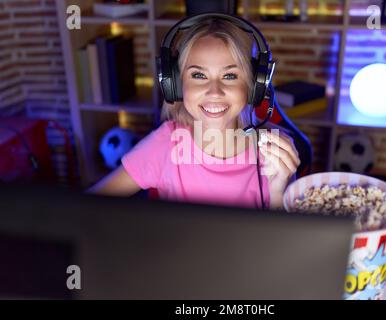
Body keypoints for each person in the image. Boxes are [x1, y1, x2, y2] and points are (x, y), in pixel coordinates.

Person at [87, 16, 301, 210]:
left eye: (230, 76)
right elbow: (86, 206)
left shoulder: (274, 152)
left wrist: (278, 192)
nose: (214, 91)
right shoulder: (165, 143)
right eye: (199, 75)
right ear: (176, 85)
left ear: (253, 86)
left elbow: (281, 242)